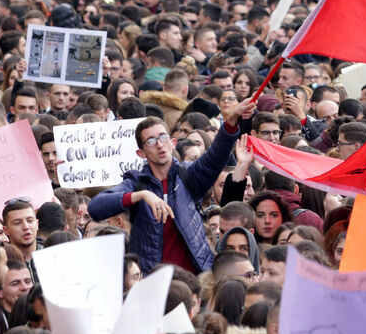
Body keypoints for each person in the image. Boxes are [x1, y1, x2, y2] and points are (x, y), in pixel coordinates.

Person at [89, 100, 254, 272]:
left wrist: (233, 118)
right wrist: (141, 195)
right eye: (151, 141)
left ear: (173, 142)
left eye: (162, 137)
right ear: (141, 153)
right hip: (154, 281)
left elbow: (215, 155)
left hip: (194, 280)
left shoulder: (189, 175)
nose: (159, 144)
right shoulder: (136, 183)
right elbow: (96, 207)